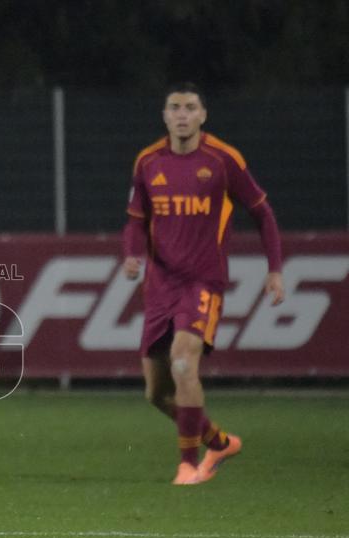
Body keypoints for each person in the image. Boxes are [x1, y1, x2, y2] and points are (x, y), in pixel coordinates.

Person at [122, 82, 285, 485]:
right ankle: (218, 440)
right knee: (157, 393)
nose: (181, 114)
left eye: (189, 107)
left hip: (203, 282)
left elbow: (262, 213)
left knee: (183, 361)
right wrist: (131, 254)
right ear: (164, 116)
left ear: (202, 115)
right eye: (174, 107)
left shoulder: (223, 159)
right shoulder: (148, 162)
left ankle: (188, 465)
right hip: (160, 285)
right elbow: (136, 220)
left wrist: (275, 269)